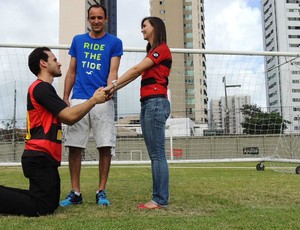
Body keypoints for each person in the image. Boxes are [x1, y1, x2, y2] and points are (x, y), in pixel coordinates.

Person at [0, 47, 107, 217]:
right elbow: (70, 116)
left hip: (42, 157)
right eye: (55, 59)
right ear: (43, 63)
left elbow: (68, 116)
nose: (59, 63)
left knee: (47, 202)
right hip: (38, 156)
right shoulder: (41, 88)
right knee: (42, 207)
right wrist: (94, 100)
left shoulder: (45, 89)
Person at [103, 16, 172, 209]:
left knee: (158, 155)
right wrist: (112, 89)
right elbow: (134, 76)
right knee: (155, 154)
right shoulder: (152, 53)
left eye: (144, 26)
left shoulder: (162, 50)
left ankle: (159, 199)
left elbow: (134, 70)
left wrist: (112, 86)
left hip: (156, 104)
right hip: (149, 104)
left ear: (155, 28)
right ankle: (159, 198)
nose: (141, 29)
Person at [60, 4, 123, 207]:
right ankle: (75, 192)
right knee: (74, 146)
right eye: (93, 17)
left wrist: (108, 90)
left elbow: (113, 71)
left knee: (104, 146)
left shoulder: (115, 42)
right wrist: (65, 96)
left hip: (102, 98)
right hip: (79, 99)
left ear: (106, 20)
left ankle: (101, 191)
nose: (96, 21)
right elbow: (71, 70)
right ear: (89, 19)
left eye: (100, 18)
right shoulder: (78, 40)